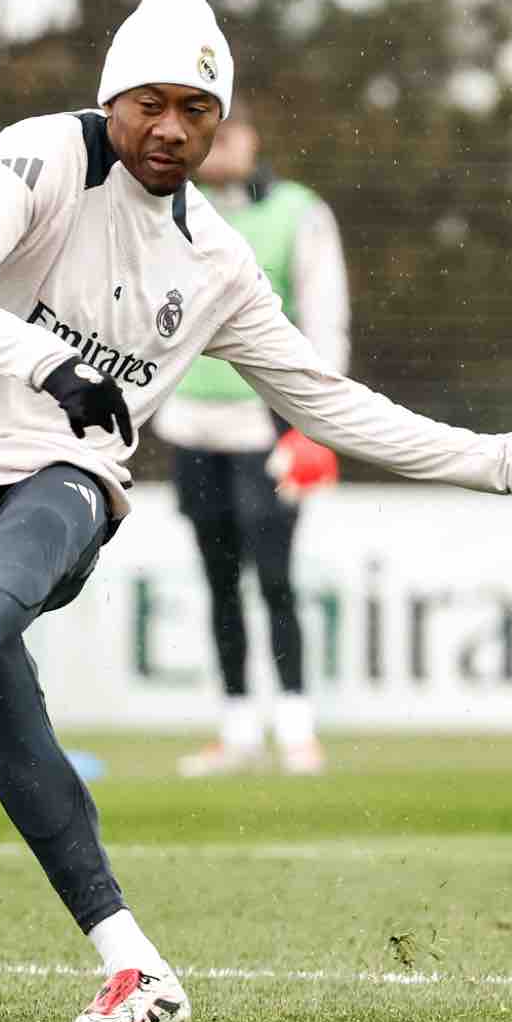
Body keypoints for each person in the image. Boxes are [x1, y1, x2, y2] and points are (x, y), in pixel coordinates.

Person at [0, 0, 512, 1022]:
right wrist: (49, 362)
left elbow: (327, 401)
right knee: (2, 697)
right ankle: (135, 964)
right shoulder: (43, 155)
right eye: (148, 101)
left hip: (65, 475)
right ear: (111, 97)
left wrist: (502, 462)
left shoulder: (218, 264)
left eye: (196, 109)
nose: (170, 128)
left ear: (221, 118)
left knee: (63, 494)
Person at [154, 101, 350, 778]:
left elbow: (326, 317)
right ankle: (237, 728)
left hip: (270, 425)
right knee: (217, 580)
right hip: (191, 424)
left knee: (274, 575)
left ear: (252, 137)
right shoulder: (170, 206)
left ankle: (296, 726)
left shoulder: (300, 212)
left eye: (229, 129)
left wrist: (316, 423)